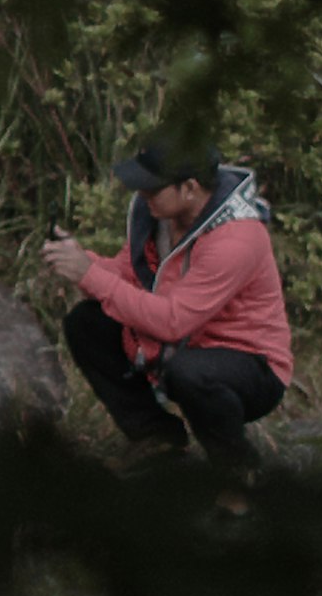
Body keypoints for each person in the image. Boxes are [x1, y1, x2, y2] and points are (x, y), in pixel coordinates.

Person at [38, 138, 295, 475]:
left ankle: (240, 473)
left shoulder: (237, 238)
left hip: (250, 366)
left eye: (152, 188)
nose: (142, 195)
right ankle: (156, 438)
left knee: (190, 372)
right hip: (183, 349)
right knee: (87, 323)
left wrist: (88, 275)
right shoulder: (162, 215)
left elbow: (173, 322)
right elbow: (132, 275)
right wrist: (80, 260)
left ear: (189, 188)